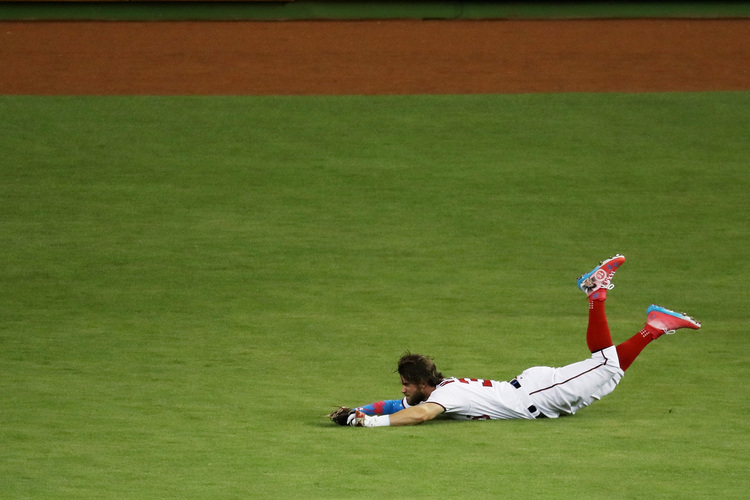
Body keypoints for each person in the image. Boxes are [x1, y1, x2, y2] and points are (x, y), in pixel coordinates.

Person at [328, 254, 701, 427]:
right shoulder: (442, 387)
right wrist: (359, 410)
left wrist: (368, 425)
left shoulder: (442, 398)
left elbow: (419, 413)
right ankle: (649, 322)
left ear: (425, 383)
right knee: (604, 362)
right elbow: (399, 403)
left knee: (607, 367)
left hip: (538, 396)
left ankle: (612, 303)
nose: (404, 388)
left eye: (408, 383)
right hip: (533, 387)